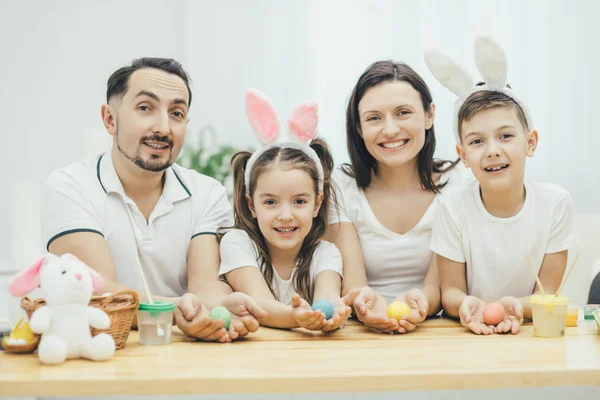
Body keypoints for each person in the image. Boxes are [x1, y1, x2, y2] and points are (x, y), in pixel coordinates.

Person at [41, 58, 265, 342]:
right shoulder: (70, 186)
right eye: (145, 108)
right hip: (97, 352)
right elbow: (99, 293)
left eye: (177, 113)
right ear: (110, 119)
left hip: (184, 358)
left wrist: (215, 306)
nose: (163, 127)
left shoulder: (207, 192)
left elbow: (205, 285)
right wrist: (177, 309)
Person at [427, 36, 577, 335]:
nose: (492, 150)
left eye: (505, 136)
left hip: (530, 335)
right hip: (464, 336)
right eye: (477, 141)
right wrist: (468, 305)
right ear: (463, 156)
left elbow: (547, 293)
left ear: (530, 142)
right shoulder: (451, 205)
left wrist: (512, 306)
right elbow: (452, 292)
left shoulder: (556, 204)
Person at [327, 60, 464, 334]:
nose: (390, 130)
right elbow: (353, 282)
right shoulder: (341, 186)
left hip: (440, 332)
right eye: (374, 118)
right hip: (360, 333)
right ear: (358, 127)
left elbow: (440, 285)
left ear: (429, 115)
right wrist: (366, 304)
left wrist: (421, 302)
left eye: (403, 113)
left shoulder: (460, 183)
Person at [218, 89, 357, 331]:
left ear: (317, 204)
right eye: (270, 202)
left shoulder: (326, 254)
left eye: (299, 202)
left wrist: (333, 313)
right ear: (251, 205)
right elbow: (260, 305)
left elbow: (328, 299)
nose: (285, 215)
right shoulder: (237, 243)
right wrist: (301, 318)